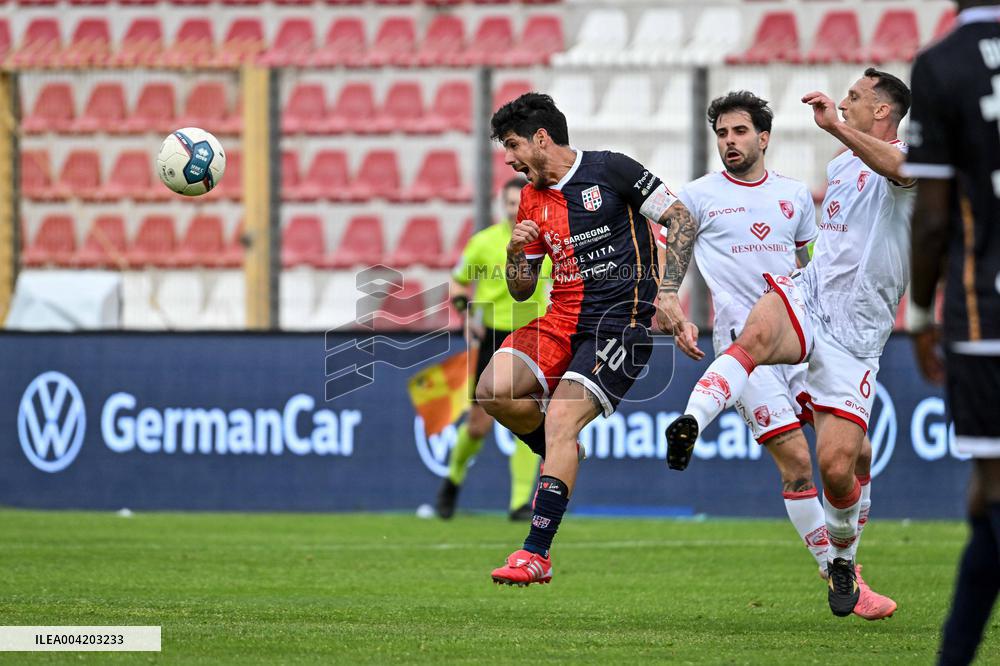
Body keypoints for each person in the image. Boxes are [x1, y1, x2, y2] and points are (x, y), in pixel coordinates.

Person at [662, 69, 915, 617]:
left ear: (882, 111)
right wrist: (667, 297)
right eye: (722, 133)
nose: (842, 102)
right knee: (762, 363)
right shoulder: (708, 193)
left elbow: (897, 172)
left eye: (854, 97)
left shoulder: (898, 155)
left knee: (842, 463)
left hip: (855, 334)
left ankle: (845, 560)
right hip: (806, 301)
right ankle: (689, 422)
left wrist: (836, 129)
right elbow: (819, 259)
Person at [477, 92, 689, 586]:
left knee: (563, 422)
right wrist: (515, 250)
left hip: (619, 322)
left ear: (542, 138)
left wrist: (671, 292)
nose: (508, 158)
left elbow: (681, 218)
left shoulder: (611, 169)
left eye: (512, 145)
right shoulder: (530, 199)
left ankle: (536, 554)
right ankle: (561, 448)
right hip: (561, 317)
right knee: (492, 390)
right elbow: (521, 286)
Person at [904, 2, 1000, 661]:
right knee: (985, 502)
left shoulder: (943, 65)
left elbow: (933, 219)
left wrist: (917, 315)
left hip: (985, 310)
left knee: (992, 489)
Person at [435, 177, 551, 522]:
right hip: (493, 335)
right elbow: (457, 281)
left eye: (520, 203)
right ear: (503, 205)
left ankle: (519, 504)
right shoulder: (483, 243)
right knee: (477, 426)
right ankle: (451, 483)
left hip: (532, 335)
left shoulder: (543, 243)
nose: (515, 209)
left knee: (528, 417)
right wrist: (465, 310)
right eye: (510, 203)